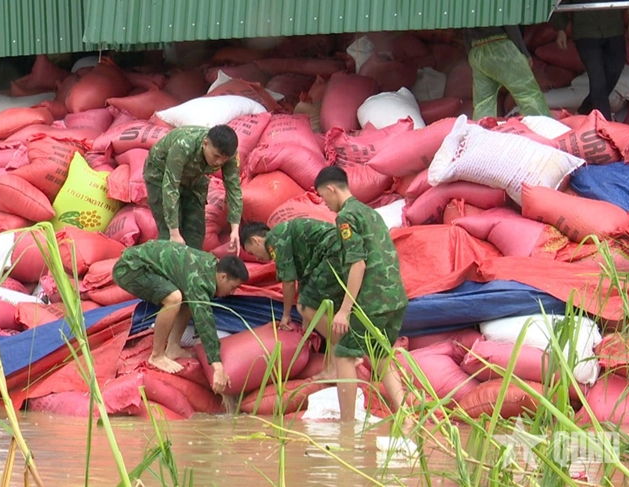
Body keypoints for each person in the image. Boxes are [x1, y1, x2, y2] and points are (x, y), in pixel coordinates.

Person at [313, 166, 410, 426]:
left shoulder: (346, 217)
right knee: (381, 356)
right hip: (395, 297)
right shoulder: (370, 212)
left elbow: (358, 264)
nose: (325, 203)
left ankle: (346, 427)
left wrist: (344, 310)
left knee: (344, 354)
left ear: (331, 189)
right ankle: (406, 417)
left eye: (323, 196)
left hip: (372, 300)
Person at [112, 240, 249, 392]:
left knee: (189, 299)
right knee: (174, 298)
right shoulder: (199, 279)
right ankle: (157, 355)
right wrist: (217, 366)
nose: (232, 293)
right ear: (222, 277)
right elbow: (204, 321)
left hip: (144, 265)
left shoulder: (210, 266)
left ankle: (173, 347)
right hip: (130, 268)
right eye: (233, 287)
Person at [240, 219, 348, 379]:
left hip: (333, 254)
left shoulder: (275, 240)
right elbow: (304, 278)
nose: (256, 258)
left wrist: (286, 316)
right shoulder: (285, 236)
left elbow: (289, 282)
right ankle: (334, 368)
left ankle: (347, 352)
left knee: (305, 306)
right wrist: (307, 320)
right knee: (325, 314)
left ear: (256, 240)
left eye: (251, 253)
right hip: (338, 253)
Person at [143, 125, 242, 251]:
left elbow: (234, 189)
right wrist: (174, 233)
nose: (219, 162)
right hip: (161, 173)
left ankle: (189, 262)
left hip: (194, 176)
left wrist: (235, 229)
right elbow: (170, 187)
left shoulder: (230, 154)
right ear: (205, 144)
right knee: (169, 235)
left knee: (195, 232)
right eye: (216, 156)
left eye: (224, 159)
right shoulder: (184, 145)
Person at [551, 2, 629, 120]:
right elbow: (560, 3)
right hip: (586, 32)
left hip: (614, 29)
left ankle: (584, 109)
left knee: (615, 70)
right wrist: (561, 30)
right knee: (598, 80)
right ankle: (605, 123)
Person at [464, 26, 551, 120]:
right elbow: (511, 26)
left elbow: (465, 29)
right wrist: (524, 52)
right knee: (528, 94)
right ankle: (543, 123)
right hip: (501, 48)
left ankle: (482, 127)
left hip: (476, 50)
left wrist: (471, 54)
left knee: (483, 103)